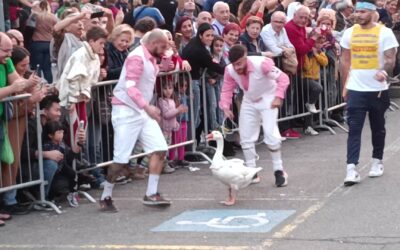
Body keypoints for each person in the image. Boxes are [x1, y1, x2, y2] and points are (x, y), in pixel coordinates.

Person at [99, 29, 173, 212]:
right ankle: (106, 195)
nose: (165, 50)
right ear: (154, 43)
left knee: (160, 149)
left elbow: (150, 76)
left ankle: (151, 193)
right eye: (163, 47)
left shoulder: (149, 57)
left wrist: (164, 63)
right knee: (121, 160)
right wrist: (147, 107)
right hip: (125, 111)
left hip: (141, 111)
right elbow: (130, 87)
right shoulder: (136, 57)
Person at [340, 0, 398, 186]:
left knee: (377, 127)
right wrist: (345, 85)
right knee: (354, 129)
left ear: (373, 13)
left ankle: (377, 161)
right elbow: (345, 61)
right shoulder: (349, 33)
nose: (358, 15)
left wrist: (384, 72)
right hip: (357, 88)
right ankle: (351, 168)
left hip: (377, 90)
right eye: (357, 11)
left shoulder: (385, 33)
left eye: (363, 12)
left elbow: (390, 58)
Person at [219, 44, 290, 186]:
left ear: (245, 57)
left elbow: (283, 79)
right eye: (234, 64)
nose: (237, 67)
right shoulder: (230, 70)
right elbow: (226, 89)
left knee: (271, 134)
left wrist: (278, 96)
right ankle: (252, 172)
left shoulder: (262, 64)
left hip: (268, 98)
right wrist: (225, 106)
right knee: (245, 136)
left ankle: (279, 170)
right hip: (249, 100)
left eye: (239, 63)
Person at [0, 33, 35, 215]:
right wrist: (13, 88)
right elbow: (14, 87)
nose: (8, 54)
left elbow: (18, 83)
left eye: (10, 50)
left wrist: (29, 83)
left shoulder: (7, 61)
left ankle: (5, 203)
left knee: (6, 160)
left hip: (1, 119)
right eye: (5, 50)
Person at [56, 26, 107, 146]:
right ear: (91, 41)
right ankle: (74, 158)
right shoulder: (81, 55)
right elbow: (73, 79)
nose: (102, 46)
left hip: (81, 97)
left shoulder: (93, 56)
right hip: (72, 97)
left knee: (82, 126)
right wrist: (71, 101)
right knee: (75, 128)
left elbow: (91, 79)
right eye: (100, 43)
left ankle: (79, 156)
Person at [181, 23, 225, 139]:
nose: (211, 38)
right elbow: (213, 65)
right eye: (208, 35)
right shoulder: (199, 49)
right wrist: (230, 71)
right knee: (194, 116)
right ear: (201, 35)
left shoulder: (194, 43)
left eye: (212, 35)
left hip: (192, 81)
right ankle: (191, 145)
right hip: (192, 82)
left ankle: (194, 143)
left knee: (196, 115)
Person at [41, 121, 82, 207]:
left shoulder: (62, 144)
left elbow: (69, 154)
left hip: (62, 165)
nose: (62, 134)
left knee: (72, 173)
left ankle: (72, 193)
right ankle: (50, 199)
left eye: (62, 132)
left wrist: (78, 144)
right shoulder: (46, 146)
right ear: (50, 135)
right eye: (59, 132)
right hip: (53, 168)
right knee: (51, 182)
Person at [302, 36, 328, 135]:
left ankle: (308, 126)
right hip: (305, 78)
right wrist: (311, 55)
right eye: (317, 43)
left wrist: (316, 54)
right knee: (317, 89)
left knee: (310, 106)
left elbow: (325, 62)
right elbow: (306, 67)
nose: (319, 46)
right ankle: (310, 104)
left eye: (321, 43)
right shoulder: (306, 54)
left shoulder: (319, 52)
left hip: (315, 78)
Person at [29, 0, 58, 84]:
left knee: (37, 67)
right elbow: (57, 29)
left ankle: (37, 86)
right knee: (47, 68)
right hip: (49, 43)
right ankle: (49, 85)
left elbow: (28, 28)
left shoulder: (35, 16)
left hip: (37, 43)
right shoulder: (52, 17)